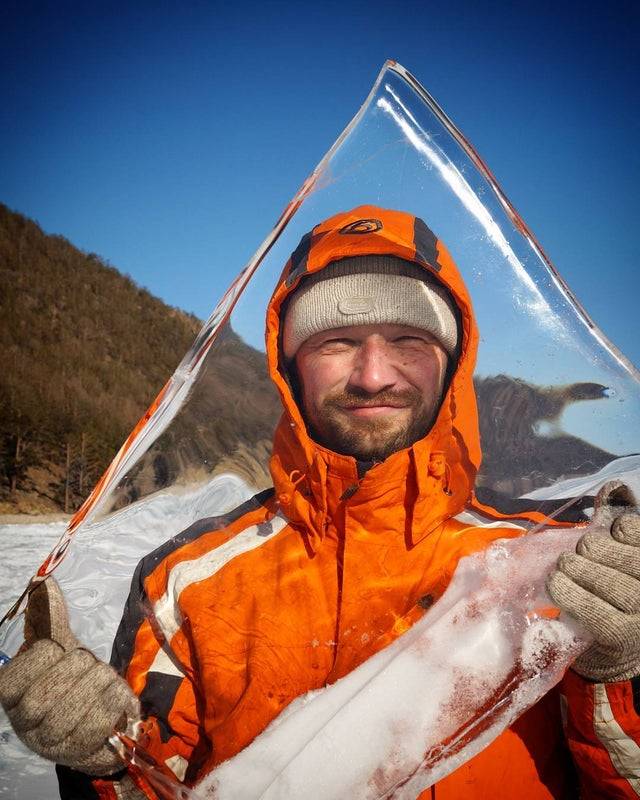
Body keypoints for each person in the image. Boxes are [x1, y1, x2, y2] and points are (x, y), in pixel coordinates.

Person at [2, 206, 640, 799]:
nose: (372, 374)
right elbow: (152, 782)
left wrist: (619, 670)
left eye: (407, 339)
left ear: (451, 362)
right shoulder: (184, 579)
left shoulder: (557, 561)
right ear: (289, 363)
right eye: (336, 340)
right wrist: (102, 760)